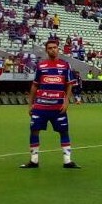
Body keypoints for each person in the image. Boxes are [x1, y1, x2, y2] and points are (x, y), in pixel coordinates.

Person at [20, 40, 80, 169]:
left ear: (58, 49)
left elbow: (69, 84)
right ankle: (34, 160)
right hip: (41, 106)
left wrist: (66, 101)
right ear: (46, 50)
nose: (53, 50)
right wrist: (30, 104)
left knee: (64, 131)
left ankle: (67, 161)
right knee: (34, 130)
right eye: (50, 48)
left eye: (55, 47)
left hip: (58, 106)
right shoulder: (41, 66)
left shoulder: (65, 65)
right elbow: (35, 85)